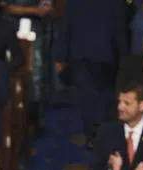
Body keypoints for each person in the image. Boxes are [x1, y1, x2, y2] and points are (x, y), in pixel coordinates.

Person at [52, 0, 128, 145]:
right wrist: (125, 57)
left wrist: (60, 56)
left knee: (88, 97)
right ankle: (102, 134)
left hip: (82, 52)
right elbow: (120, 31)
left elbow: (66, 26)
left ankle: (93, 136)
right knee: (104, 96)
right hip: (106, 53)